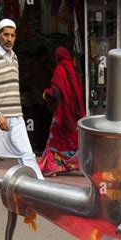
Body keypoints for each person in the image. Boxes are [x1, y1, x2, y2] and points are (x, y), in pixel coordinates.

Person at [0, 18, 43, 197]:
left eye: (12, 35)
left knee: (26, 152)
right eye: (5, 34)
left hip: (16, 115)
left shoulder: (14, 58)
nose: (9, 38)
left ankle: (38, 187)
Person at [39, 46, 85, 176]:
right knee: (74, 140)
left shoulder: (59, 69)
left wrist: (46, 93)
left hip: (62, 112)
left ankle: (52, 166)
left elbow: (56, 91)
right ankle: (75, 163)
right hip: (74, 113)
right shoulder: (72, 68)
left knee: (55, 141)